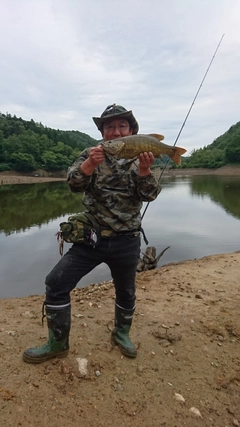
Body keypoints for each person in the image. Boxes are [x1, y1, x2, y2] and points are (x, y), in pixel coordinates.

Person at [23, 103, 162, 363]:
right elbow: (74, 185)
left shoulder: (140, 156)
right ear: (102, 131)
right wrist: (88, 164)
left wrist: (144, 171)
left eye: (122, 126)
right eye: (110, 126)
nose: (116, 131)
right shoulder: (90, 153)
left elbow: (150, 195)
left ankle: (121, 334)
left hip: (127, 240)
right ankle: (58, 343)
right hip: (92, 238)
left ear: (131, 130)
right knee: (56, 282)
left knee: (126, 291)